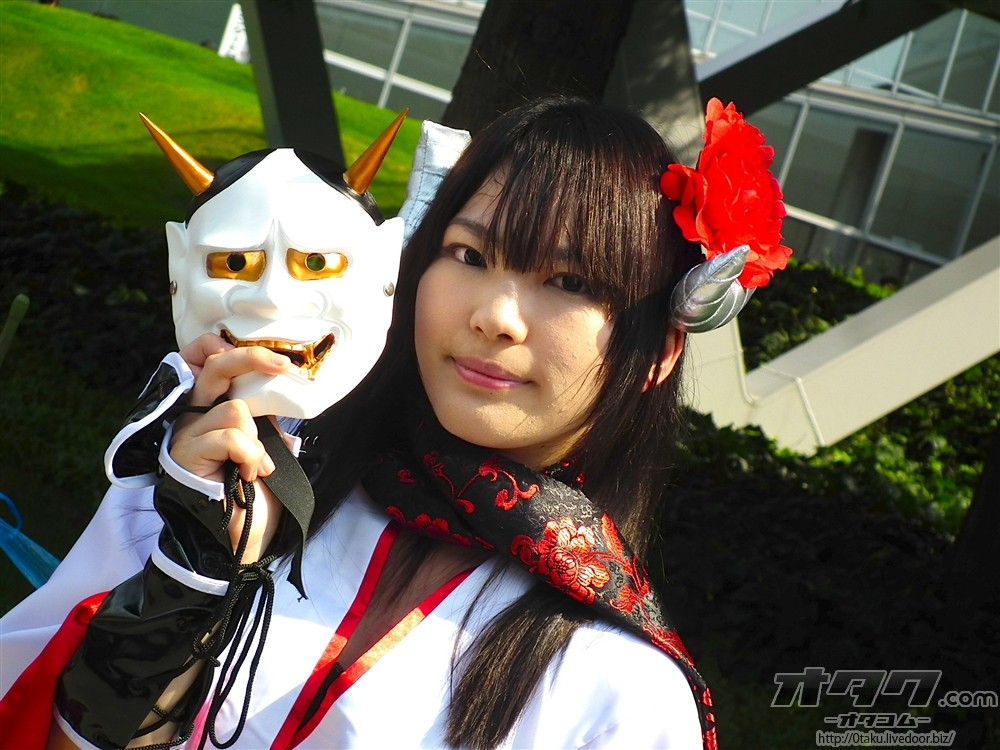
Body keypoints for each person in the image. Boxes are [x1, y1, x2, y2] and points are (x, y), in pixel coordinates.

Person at [0, 96, 790, 749]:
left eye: (571, 281)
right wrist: (182, 583)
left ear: (659, 351)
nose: (495, 315)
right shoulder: (231, 481)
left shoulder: (623, 695)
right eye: (470, 255)